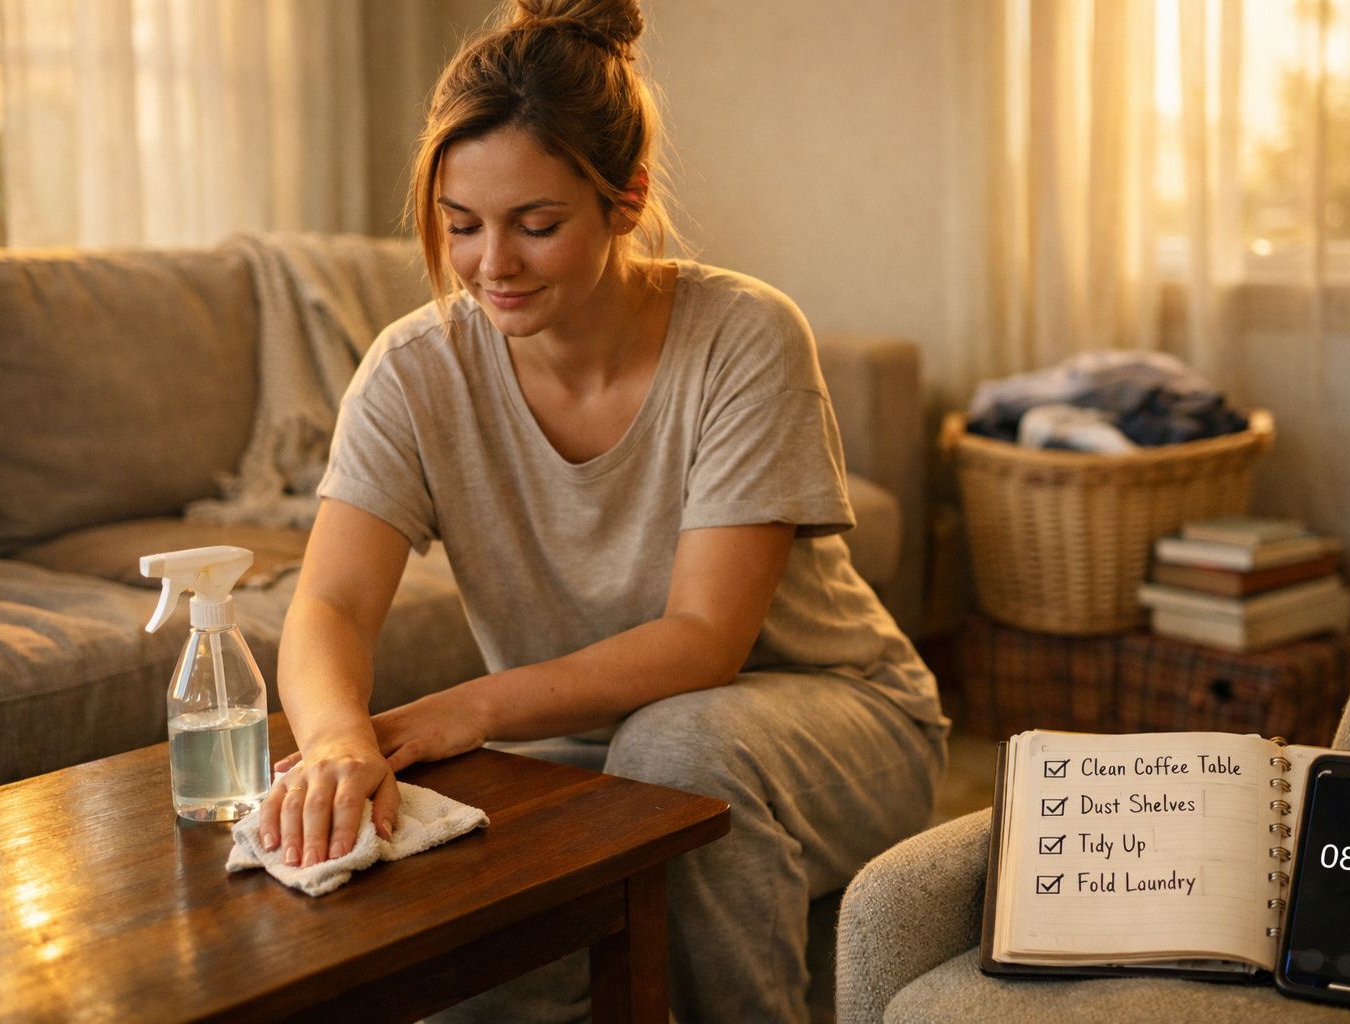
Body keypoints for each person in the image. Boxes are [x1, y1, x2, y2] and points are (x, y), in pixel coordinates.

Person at [259, 0, 949, 1020]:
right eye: (462, 225)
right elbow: (329, 607)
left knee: (677, 748)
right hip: (580, 739)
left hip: (839, 716)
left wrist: (466, 708)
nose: (493, 263)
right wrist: (335, 742)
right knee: (445, 945)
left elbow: (704, 640)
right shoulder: (413, 372)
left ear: (625, 201)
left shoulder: (745, 338)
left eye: (536, 225)